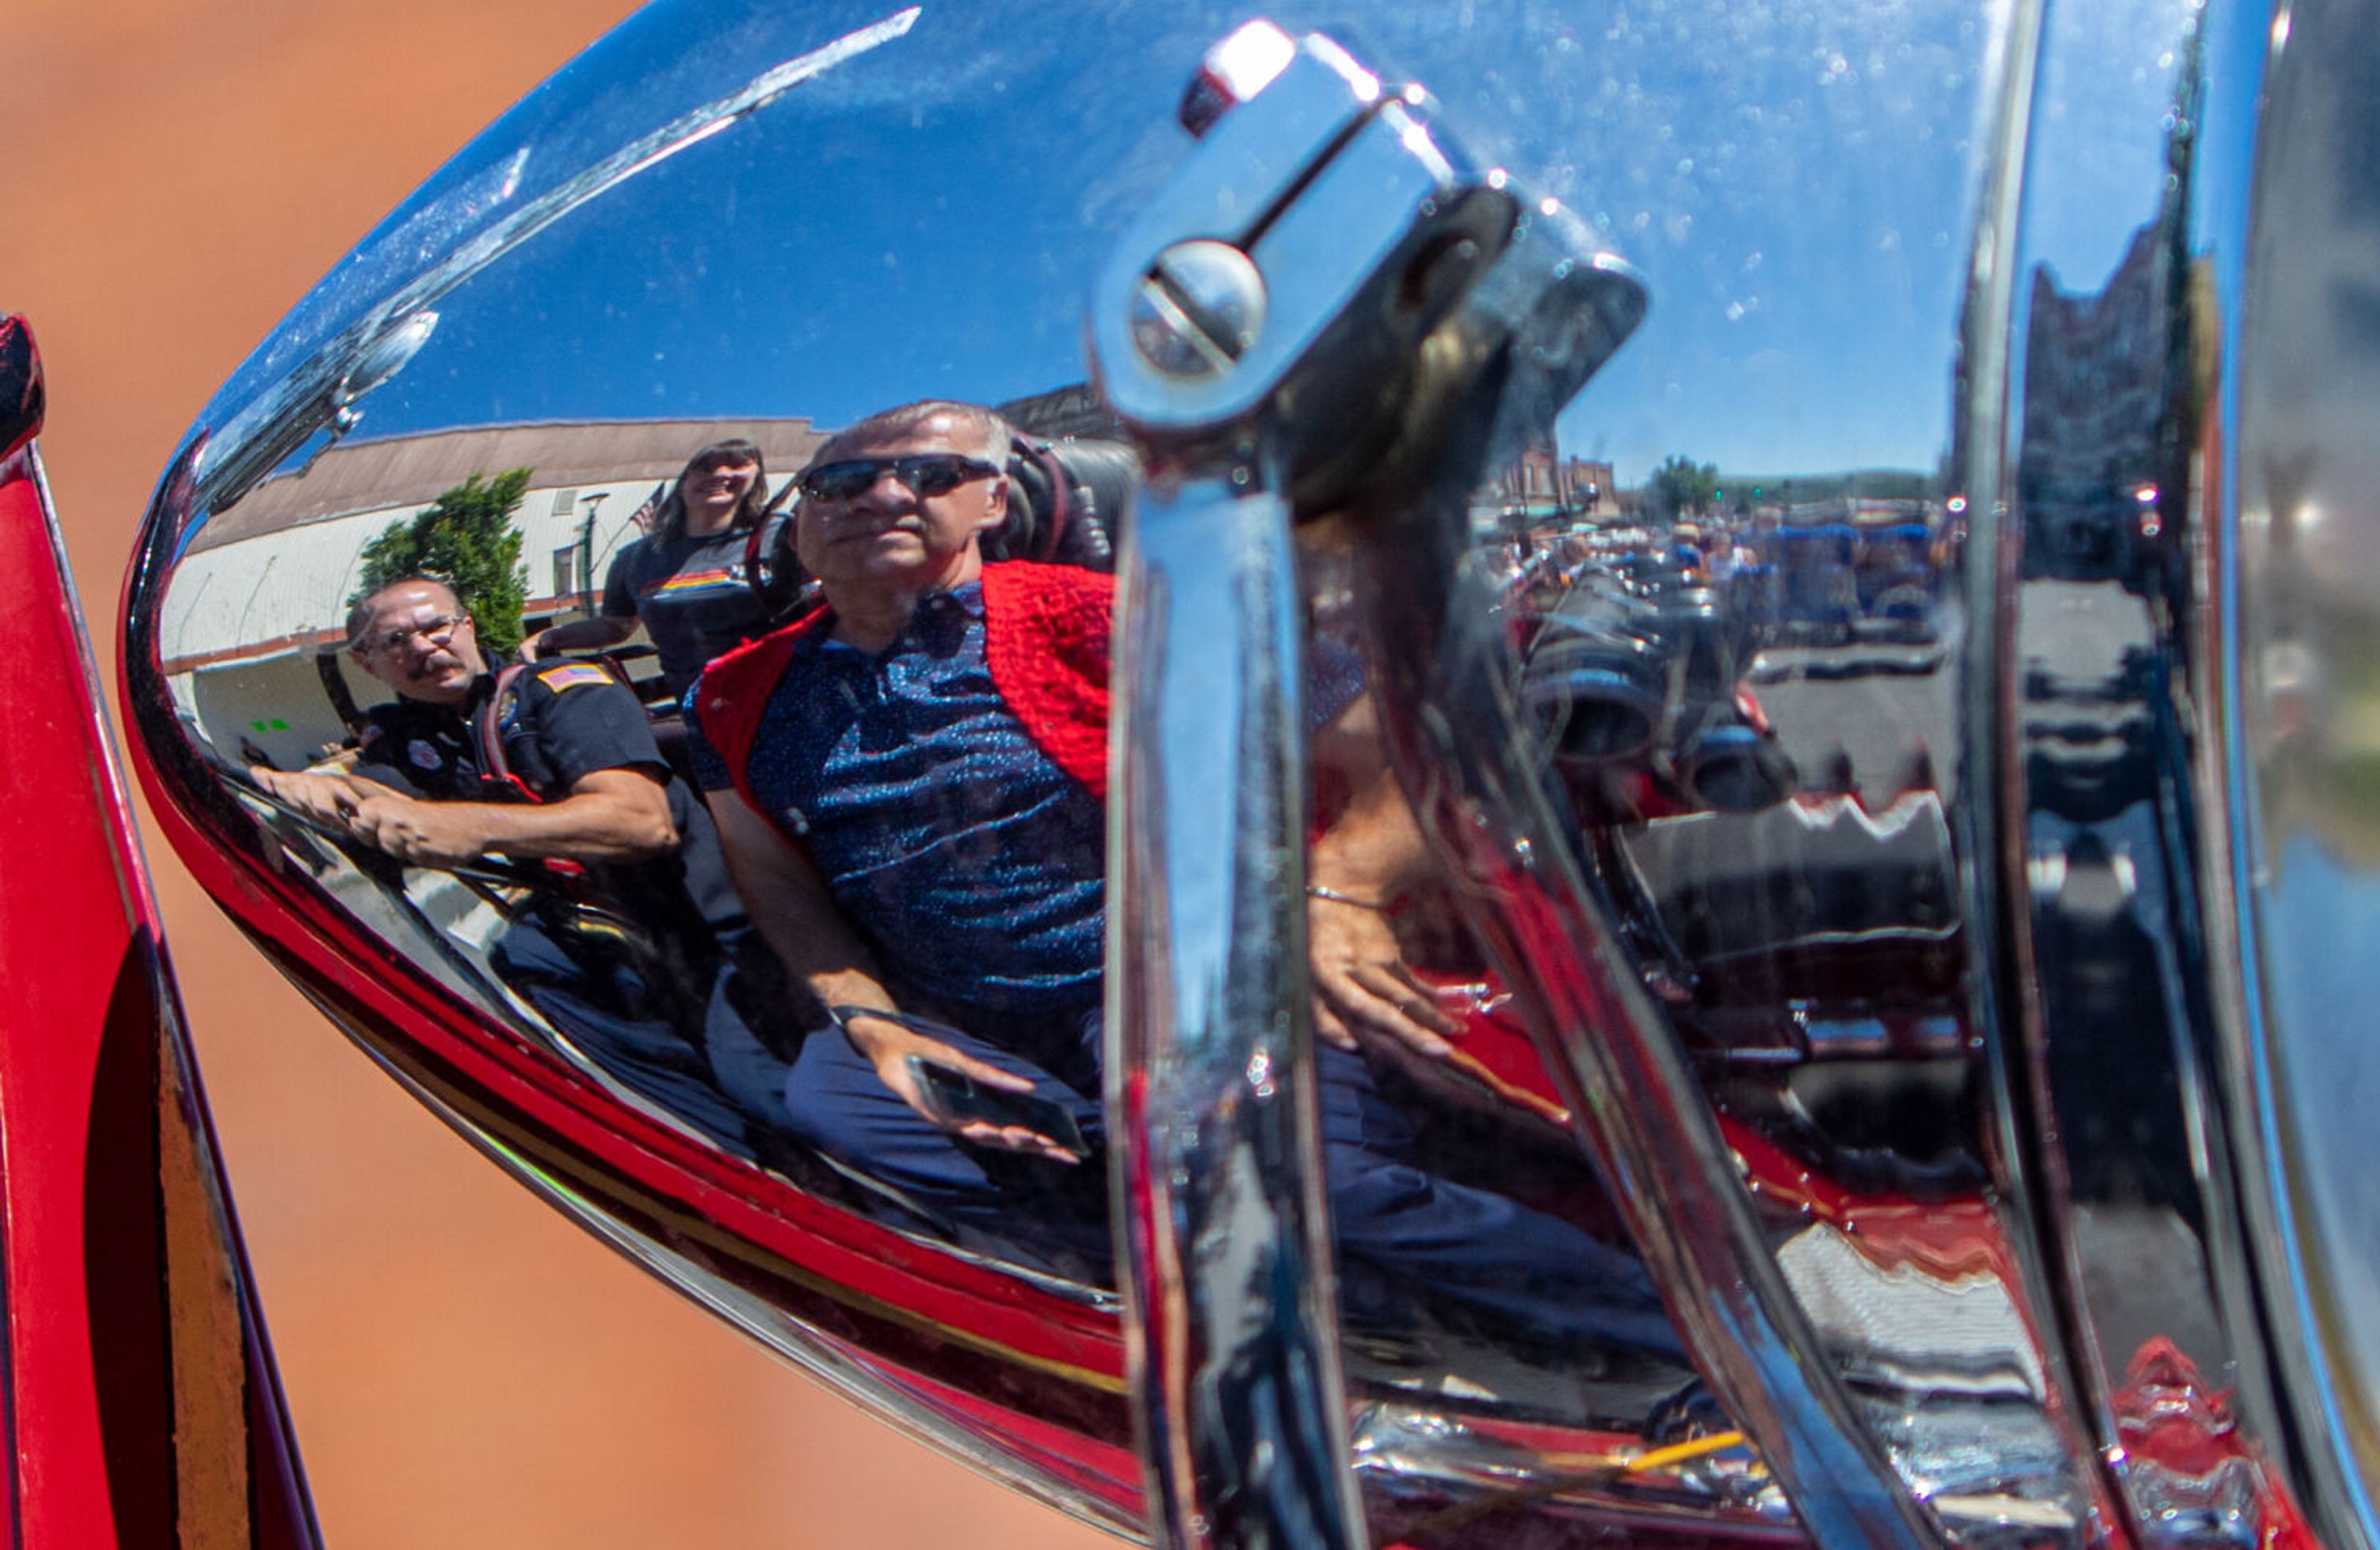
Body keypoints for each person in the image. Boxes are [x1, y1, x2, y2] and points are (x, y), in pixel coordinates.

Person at [690, 399, 1683, 1353]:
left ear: (995, 501)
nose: (883, 495)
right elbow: (772, 872)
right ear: (802, 518)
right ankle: (1177, 1248)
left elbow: (1411, 739)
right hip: (960, 1011)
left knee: (1288, 1173)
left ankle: (1668, 1325)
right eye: (845, 480)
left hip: (1182, 983)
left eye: (931, 473)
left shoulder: (1100, 617)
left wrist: (1342, 888)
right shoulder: (739, 693)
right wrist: (868, 1014)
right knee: (834, 1106)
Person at [253, 576, 755, 1133]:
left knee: (795, 1106)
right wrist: (300, 785)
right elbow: (379, 796)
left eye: (435, 626)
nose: (423, 647)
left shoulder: (558, 690)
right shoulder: (405, 738)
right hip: (600, 959)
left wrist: (469, 826)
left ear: (465, 625)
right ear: (366, 663)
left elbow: (640, 821)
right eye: (396, 641)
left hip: (712, 943)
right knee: (688, 1128)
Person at [529, 438, 802, 699]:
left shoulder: (786, 534)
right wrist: (549, 637)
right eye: (704, 467)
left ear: (757, 475)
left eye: (736, 464)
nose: (719, 473)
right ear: (682, 481)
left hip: (789, 694)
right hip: (702, 709)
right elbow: (615, 626)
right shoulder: (636, 558)